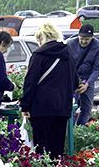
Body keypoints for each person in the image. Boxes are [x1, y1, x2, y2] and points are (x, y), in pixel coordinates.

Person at [20, 24, 79, 158]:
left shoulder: (39, 55)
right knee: (57, 147)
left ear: (42, 37)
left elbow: (30, 83)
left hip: (41, 108)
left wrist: (25, 105)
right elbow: (75, 81)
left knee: (41, 148)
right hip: (62, 108)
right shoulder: (68, 55)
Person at [66, 24, 99, 125]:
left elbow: (98, 68)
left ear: (92, 37)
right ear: (78, 36)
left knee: (87, 109)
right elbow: (65, 65)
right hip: (72, 79)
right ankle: (70, 130)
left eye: (87, 39)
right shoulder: (70, 44)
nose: (83, 41)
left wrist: (87, 84)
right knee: (71, 107)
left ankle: (80, 129)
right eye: (81, 38)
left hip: (88, 79)